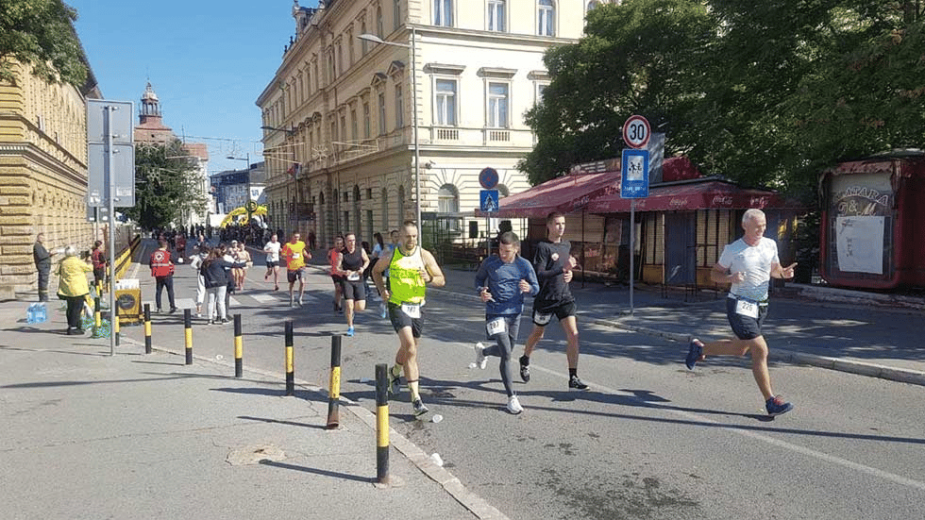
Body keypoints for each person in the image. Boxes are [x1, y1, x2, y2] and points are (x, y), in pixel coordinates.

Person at [686, 209, 798, 417]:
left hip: (761, 305)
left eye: (763, 226)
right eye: (757, 226)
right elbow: (714, 273)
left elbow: (774, 270)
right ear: (744, 226)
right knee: (761, 349)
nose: (761, 230)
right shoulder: (733, 249)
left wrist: (784, 274)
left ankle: (700, 349)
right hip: (739, 305)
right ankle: (771, 401)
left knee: (740, 350)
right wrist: (730, 279)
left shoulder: (770, 244)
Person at [372, 221, 446, 417]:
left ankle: (394, 372)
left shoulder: (424, 255)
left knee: (409, 348)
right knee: (410, 348)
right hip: (397, 305)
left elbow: (441, 279)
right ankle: (416, 399)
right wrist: (382, 290)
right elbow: (375, 271)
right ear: (400, 237)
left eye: (414, 236)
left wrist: (429, 278)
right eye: (408, 236)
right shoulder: (391, 256)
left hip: (418, 307)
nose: (411, 240)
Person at [519, 212, 589, 391]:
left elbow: (565, 270)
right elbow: (540, 274)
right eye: (557, 224)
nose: (561, 227)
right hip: (546, 299)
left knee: (573, 334)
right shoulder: (542, 247)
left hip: (564, 297)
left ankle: (573, 376)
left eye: (563, 223)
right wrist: (562, 269)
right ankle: (525, 358)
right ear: (549, 226)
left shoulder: (566, 245)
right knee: (537, 335)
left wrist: (570, 273)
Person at [473, 232, 539, 414]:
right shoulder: (490, 263)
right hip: (495, 312)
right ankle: (511, 398)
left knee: (507, 349)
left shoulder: (523, 265)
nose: (502, 254)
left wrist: (530, 288)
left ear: (516, 249)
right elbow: (478, 280)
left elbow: (536, 287)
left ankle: (483, 351)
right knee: (507, 354)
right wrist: (482, 292)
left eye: (507, 251)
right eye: (500, 250)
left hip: (514, 314)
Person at [337, 232, 371, 337]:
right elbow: (337, 268)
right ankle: (350, 327)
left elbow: (367, 261)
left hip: (359, 280)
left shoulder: (360, 250)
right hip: (347, 281)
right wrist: (343, 272)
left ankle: (351, 311)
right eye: (349, 241)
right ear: (346, 242)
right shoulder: (342, 253)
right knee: (349, 304)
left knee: (361, 307)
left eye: (353, 240)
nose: (352, 242)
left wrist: (363, 268)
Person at [201, 249, 246, 324]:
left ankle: (209, 319)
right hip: (221, 282)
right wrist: (243, 264)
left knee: (210, 301)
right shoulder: (219, 261)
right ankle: (223, 318)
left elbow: (202, 273)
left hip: (209, 283)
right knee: (221, 301)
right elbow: (232, 265)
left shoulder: (205, 262)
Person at [56, 246, 93, 335]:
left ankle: (70, 326)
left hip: (67, 289)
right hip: (78, 289)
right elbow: (90, 268)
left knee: (70, 308)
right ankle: (74, 328)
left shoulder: (63, 262)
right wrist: (89, 261)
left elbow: (57, 272)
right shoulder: (78, 262)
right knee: (77, 308)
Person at [281, 232, 312, 307]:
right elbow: (282, 255)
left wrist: (307, 255)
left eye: (298, 237)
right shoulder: (288, 245)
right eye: (295, 237)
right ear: (292, 237)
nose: (296, 238)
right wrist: (289, 255)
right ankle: (292, 298)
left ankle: (300, 298)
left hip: (301, 266)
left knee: (302, 282)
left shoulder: (301, 244)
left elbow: (303, 251)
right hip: (291, 267)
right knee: (292, 284)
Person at [149, 238, 177, 314]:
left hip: (158, 275)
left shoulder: (153, 254)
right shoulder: (167, 254)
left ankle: (159, 307)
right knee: (170, 291)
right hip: (167, 274)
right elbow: (172, 262)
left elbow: (150, 265)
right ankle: (172, 306)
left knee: (158, 291)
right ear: (166, 245)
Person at [33, 233, 57, 302]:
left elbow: (44, 255)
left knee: (44, 281)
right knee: (43, 282)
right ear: (37, 238)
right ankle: (43, 298)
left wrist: (49, 254)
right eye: (40, 238)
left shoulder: (40, 246)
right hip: (42, 266)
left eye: (43, 238)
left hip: (45, 266)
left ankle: (44, 297)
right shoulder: (37, 246)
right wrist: (50, 253)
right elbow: (41, 256)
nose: (42, 239)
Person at [188, 245, 210, 318]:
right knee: (212, 293)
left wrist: (197, 268)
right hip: (210, 274)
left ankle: (199, 312)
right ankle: (214, 312)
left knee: (200, 291)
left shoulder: (198, 256)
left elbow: (192, 265)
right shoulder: (210, 256)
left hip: (201, 273)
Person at [328, 235, 346, 313]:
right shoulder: (331, 251)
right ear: (335, 244)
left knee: (341, 290)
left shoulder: (345, 251)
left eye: (340, 243)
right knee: (338, 288)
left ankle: (336, 301)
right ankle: (339, 305)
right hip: (335, 273)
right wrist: (332, 264)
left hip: (344, 273)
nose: (339, 245)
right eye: (337, 243)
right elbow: (329, 259)